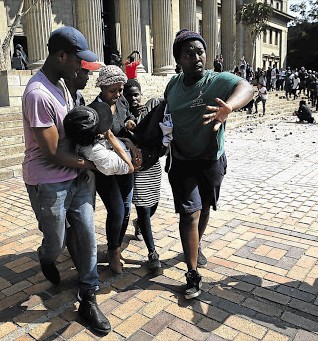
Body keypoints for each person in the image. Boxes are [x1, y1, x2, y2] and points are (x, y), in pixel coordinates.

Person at [21, 26, 110, 334]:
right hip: (49, 181)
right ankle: (45, 256)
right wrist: (93, 164)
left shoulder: (64, 85)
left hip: (77, 177)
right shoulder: (38, 93)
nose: (80, 67)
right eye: (77, 60)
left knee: (87, 235)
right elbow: (50, 153)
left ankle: (88, 298)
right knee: (56, 243)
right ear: (61, 56)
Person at [165, 28, 253, 299]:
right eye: (188, 54)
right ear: (179, 59)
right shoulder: (172, 85)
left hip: (210, 160)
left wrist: (230, 107)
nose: (196, 58)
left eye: (200, 52)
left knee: (204, 209)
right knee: (188, 214)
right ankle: (192, 274)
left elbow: (246, 87)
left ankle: (196, 244)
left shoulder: (217, 81)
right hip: (181, 160)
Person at [91, 65, 142, 274]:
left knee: (126, 209)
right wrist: (125, 143)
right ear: (102, 87)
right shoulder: (94, 109)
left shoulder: (120, 101)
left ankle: (117, 245)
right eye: (113, 90)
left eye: (120, 90)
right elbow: (104, 140)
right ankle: (113, 252)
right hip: (107, 168)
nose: (118, 94)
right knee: (117, 210)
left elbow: (128, 115)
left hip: (125, 162)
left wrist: (130, 121)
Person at [123, 78, 162, 271]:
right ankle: (152, 252)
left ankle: (138, 223)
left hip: (152, 164)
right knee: (144, 209)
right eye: (128, 95)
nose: (133, 98)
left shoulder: (151, 108)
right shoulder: (123, 114)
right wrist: (130, 121)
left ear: (141, 95)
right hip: (136, 169)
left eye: (136, 94)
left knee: (153, 205)